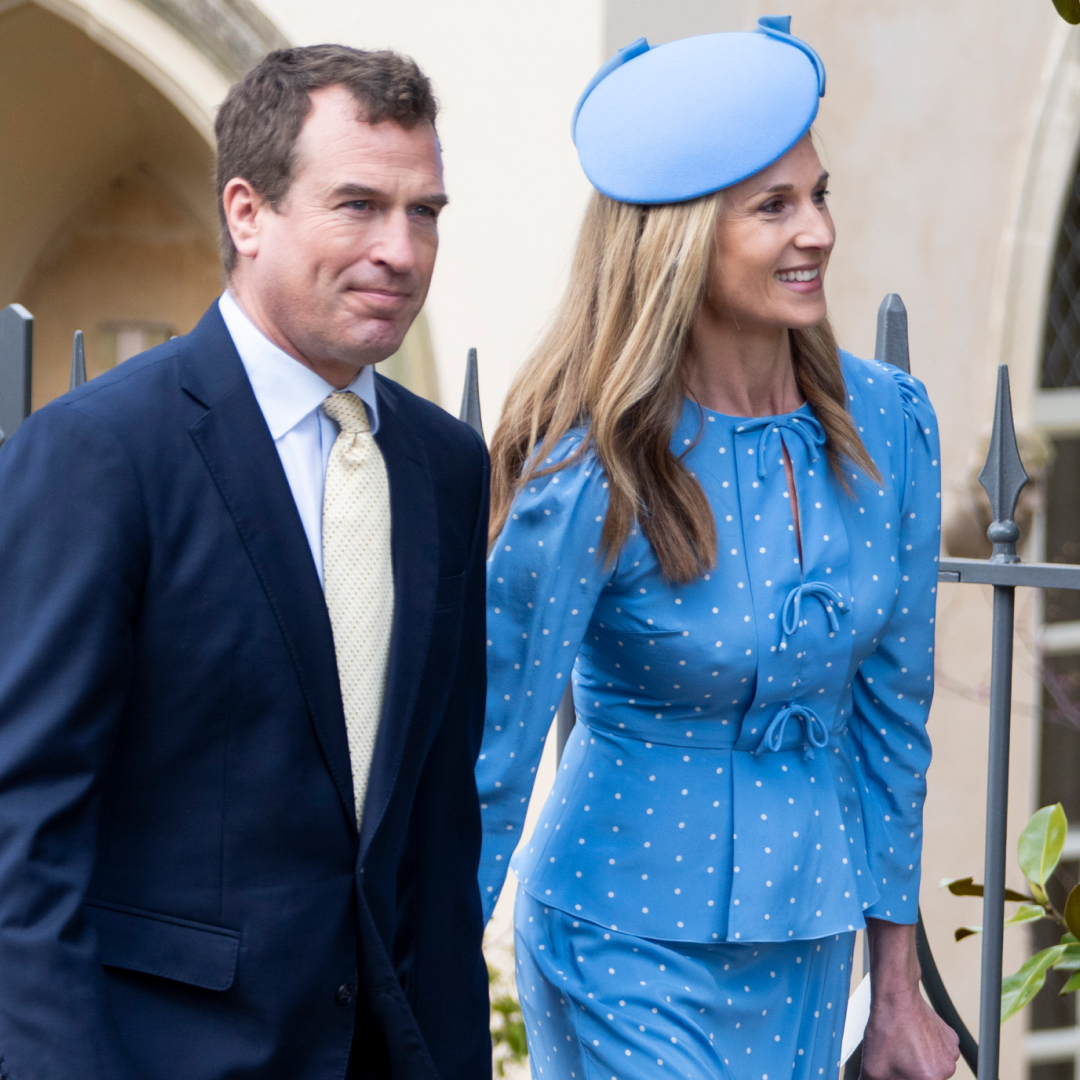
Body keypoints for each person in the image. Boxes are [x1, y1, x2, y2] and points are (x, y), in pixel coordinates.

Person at [477, 17, 959, 1080]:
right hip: (617, 941)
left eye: (819, 195)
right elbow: (493, 747)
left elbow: (892, 724)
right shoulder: (594, 463)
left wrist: (897, 991)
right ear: (680, 238)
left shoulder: (890, 427)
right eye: (773, 207)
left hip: (808, 943)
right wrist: (416, 997)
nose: (819, 232)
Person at [0, 46, 490, 1080]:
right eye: (358, 206)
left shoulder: (447, 466)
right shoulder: (102, 453)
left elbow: (440, 834)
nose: (401, 251)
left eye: (424, 212)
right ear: (247, 211)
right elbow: (21, 831)